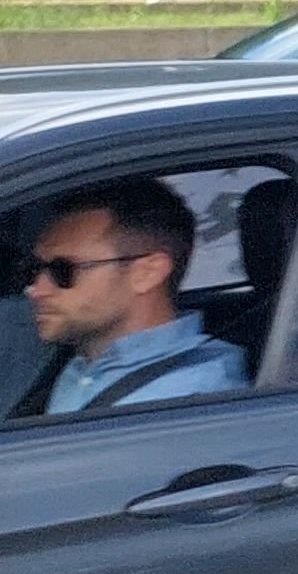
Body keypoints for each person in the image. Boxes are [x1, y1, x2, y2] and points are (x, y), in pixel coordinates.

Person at [22, 178, 243, 417]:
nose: (35, 289)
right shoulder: (78, 364)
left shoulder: (194, 397)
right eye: (34, 269)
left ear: (146, 273)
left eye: (62, 271)